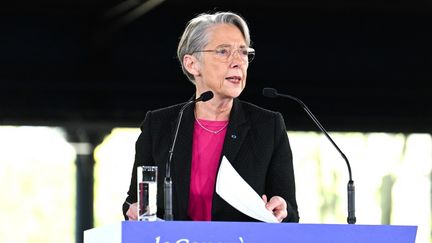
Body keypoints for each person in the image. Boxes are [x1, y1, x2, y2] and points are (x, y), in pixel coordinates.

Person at [123, 11, 299, 222]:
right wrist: (133, 209)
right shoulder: (159, 125)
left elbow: (289, 213)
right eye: (223, 52)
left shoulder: (268, 126)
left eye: (243, 53)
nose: (238, 62)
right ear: (192, 64)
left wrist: (281, 208)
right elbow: (133, 202)